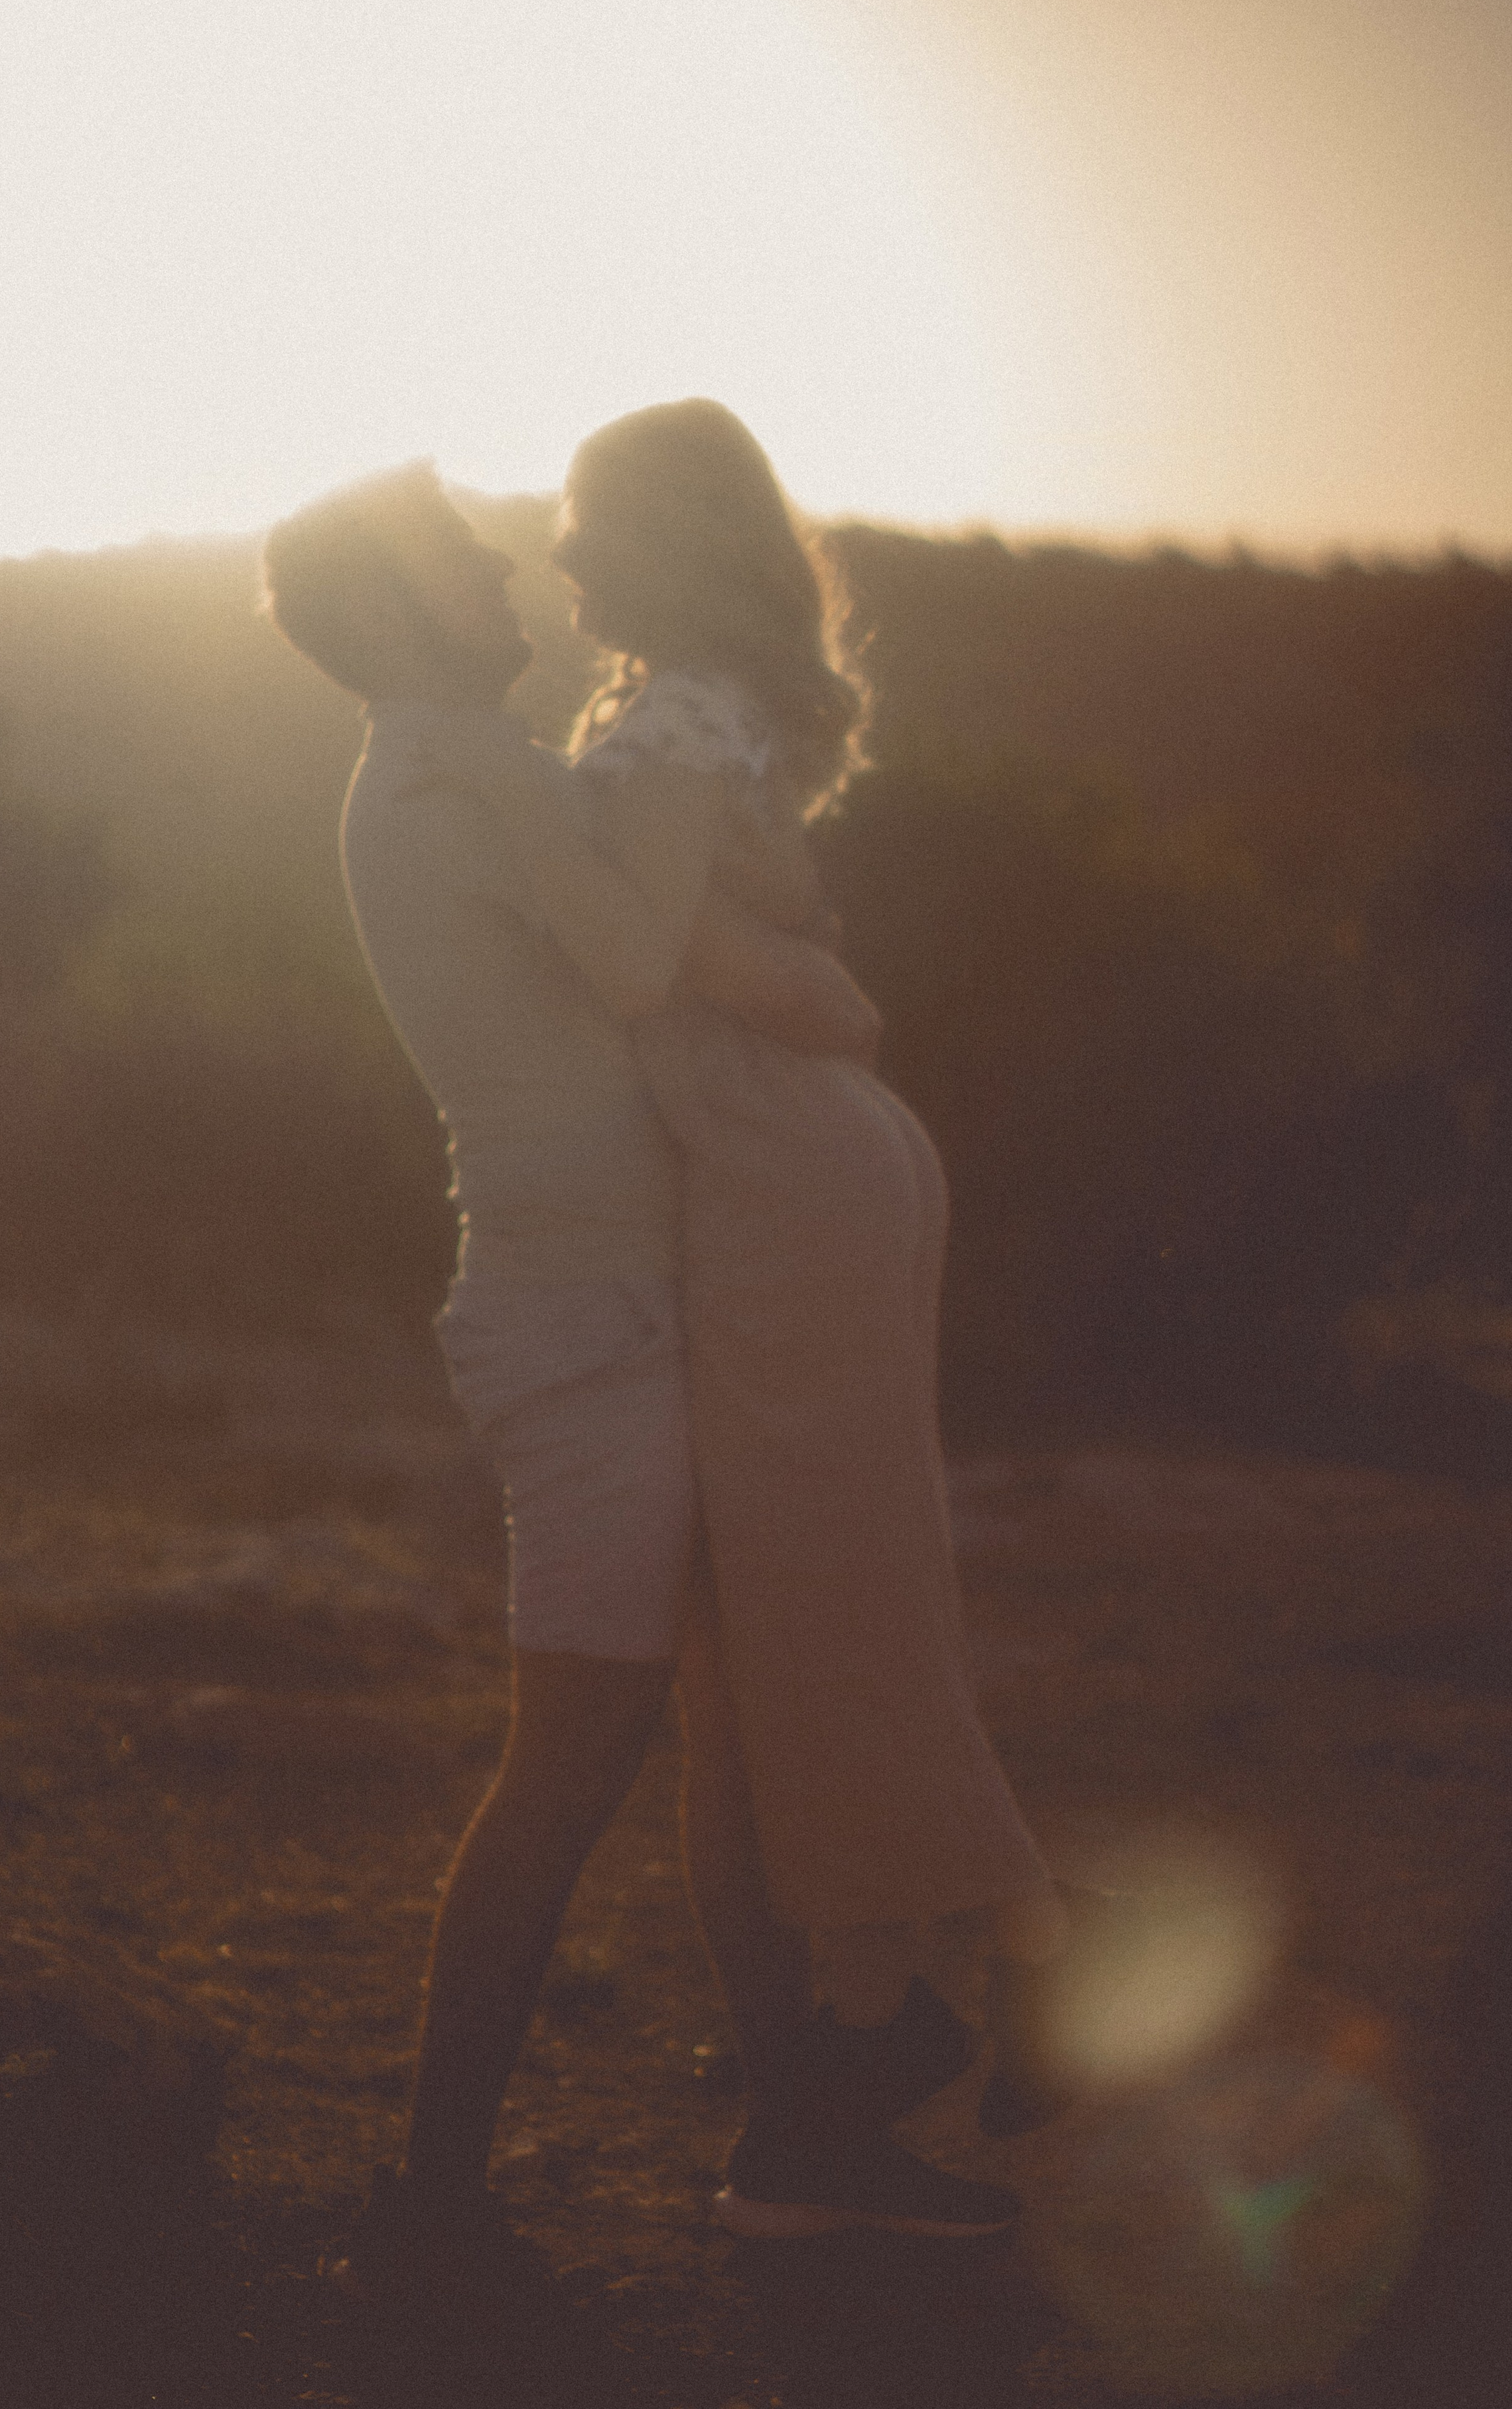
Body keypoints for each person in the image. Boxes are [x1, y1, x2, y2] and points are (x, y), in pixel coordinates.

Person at [258, 464, 1022, 2310]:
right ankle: (434, 2199)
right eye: (464, 554)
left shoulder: (441, 766)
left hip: (617, 1309)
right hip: (586, 1327)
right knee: (576, 1757)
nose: (509, 565)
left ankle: (802, 2132)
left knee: (724, 1726)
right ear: (404, 607)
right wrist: (820, 992)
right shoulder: (471, 772)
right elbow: (642, 947)